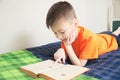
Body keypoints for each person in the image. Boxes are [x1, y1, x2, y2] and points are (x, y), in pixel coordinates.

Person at [46, 1, 120, 66]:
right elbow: (67, 53)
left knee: (113, 35)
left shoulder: (89, 39)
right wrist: (61, 53)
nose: (59, 37)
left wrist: (67, 46)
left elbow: (80, 64)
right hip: (99, 36)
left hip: (110, 41)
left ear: (75, 24)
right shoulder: (65, 36)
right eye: (55, 33)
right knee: (109, 34)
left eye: (62, 32)